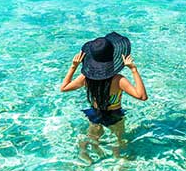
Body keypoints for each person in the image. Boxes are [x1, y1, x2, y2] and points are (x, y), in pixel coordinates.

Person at [60, 31, 148, 161]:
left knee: (92, 137)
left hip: (95, 113)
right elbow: (142, 96)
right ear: (113, 56)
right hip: (114, 115)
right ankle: (120, 161)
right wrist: (133, 69)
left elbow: (64, 88)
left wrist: (73, 67)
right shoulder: (118, 80)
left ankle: (84, 154)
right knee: (120, 140)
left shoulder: (86, 78)